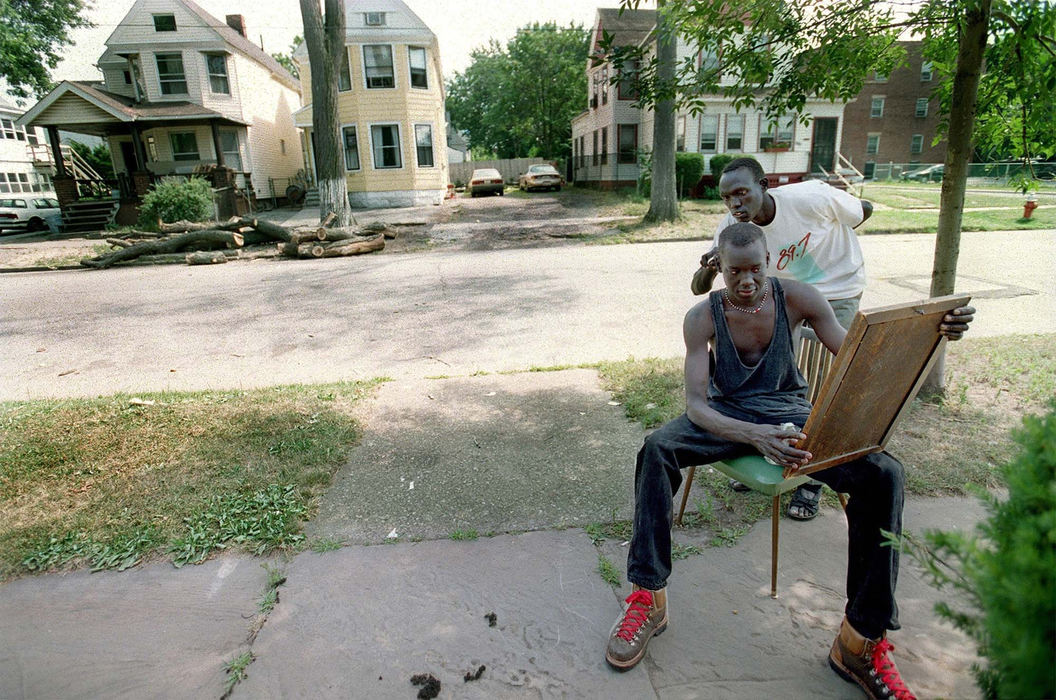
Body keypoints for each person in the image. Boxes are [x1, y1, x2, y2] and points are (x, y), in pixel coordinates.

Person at [605, 222, 975, 700]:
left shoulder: (800, 298)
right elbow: (697, 405)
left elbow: (857, 358)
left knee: (884, 474)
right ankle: (646, 596)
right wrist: (753, 435)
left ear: (769, 261)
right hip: (726, 417)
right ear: (720, 268)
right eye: (735, 272)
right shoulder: (702, 317)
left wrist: (933, 335)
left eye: (755, 269)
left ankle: (860, 641)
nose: (746, 281)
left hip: (790, 417)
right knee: (657, 448)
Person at [693, 157, 874, 521]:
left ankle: (812, 478)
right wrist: (710, 265)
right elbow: (701, 286)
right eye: (727, 198)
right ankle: (769, 450)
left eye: (742, 193)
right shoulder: (731, 226)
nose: (735, 204)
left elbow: (863, 210)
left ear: (764, 185)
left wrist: (831, 243)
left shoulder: (811, 197)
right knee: (782, 384)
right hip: (789, 297)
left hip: (838, 288)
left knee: (826, 380)